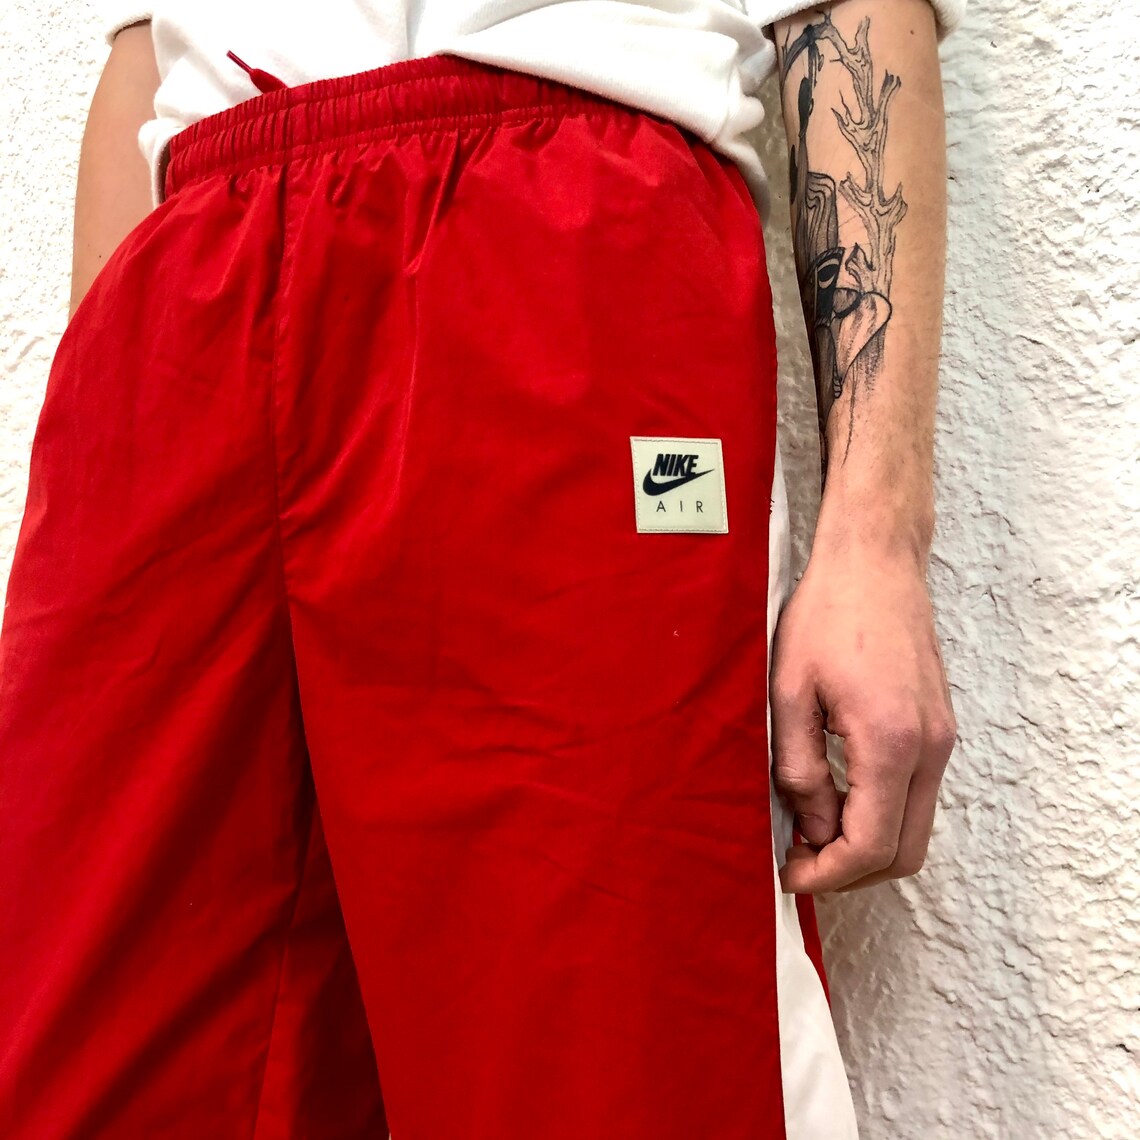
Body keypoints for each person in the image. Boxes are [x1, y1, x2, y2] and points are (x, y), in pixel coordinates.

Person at [0, 1, 963, 1136]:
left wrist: (876, 540)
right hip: (186, 286)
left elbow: (851, 15)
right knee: (115, 1049)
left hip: (552, 227)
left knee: (606, 1055)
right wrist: (96, 439)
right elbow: (142, 52)